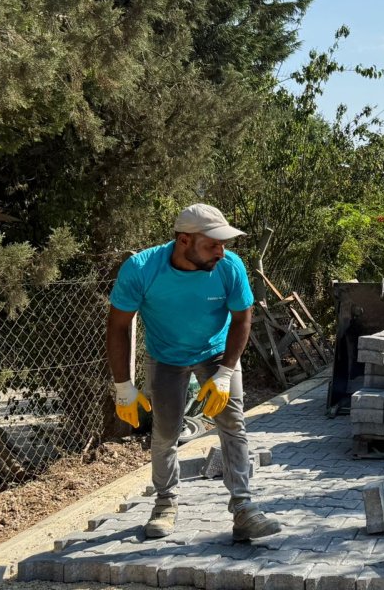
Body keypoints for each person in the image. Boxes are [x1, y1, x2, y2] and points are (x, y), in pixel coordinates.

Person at [106, 203, 281, 542]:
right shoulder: (141, 269)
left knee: (232, 424)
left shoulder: (230, 266)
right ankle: (165, 503)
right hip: (166, 356)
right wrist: (123, 385)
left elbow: (243, 318)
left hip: (217, 352)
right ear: (184, 240)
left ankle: (244, 508)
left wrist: (226, 372)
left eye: (224, 243)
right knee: (165, 432)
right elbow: (118, 326)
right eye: (212, 243)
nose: (221, 250)